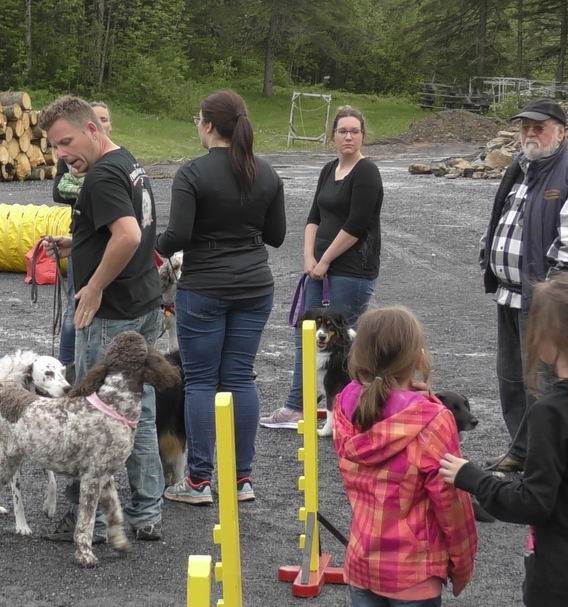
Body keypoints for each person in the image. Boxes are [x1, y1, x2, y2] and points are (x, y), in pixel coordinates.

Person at [39, 96, 164, 541]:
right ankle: (147, 512)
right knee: (138, 411)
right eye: (55, 147)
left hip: (112, 315)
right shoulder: (126, 161)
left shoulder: (102, 176)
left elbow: (127, 235)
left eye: (66, 142)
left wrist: (93, 286)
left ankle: (87, 520)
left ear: (92, 130)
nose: (62, 155)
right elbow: (122, 229)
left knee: (94, 416)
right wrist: (77, 242)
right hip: (143, 303)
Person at [156, 91, 286, 505]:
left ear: (209, 125)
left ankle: (198, 481)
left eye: (198, 119)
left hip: (206, 287)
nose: (197, 126)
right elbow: (277, 235)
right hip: (255, 285)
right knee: (240, 378)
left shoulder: (192, 173)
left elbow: (178, 235)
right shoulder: (266, 172)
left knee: (200, 381)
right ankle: (241, 479)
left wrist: (151, 243)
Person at [440, 272, 568, 607]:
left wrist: (473, 478)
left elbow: (534, 501)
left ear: (549, 339)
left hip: (563, 579)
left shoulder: (552, 412)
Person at [335, 306, 476, 606]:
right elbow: (451, 502)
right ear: (417, 357)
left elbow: (379, 401)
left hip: (362, 561)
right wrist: (462, 564)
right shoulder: (432, 420)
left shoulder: (346, 405)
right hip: (414, 571)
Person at [475, 98, 568, 473]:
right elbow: (500, 218)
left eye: (539, 127)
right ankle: (520, 451)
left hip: (541, 301)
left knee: (542, 383)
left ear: (561, 133)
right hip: (509, 294)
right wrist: (488, 254)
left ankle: (545, 462)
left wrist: (550, 298)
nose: (530, 134)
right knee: (511, 378)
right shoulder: (521, 167)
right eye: (525, 127)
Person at [261, 106, 384, 430]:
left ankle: (346, 412)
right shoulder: (329, 169)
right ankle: (298, 406)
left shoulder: (367, 172)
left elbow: (356, 225)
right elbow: (314, 216)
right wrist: (308, 258)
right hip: (318, 270)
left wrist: (326, 259)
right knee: (306, 336)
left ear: (363, 136)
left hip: (351, 272)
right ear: (333, 136)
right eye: (342, 131)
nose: (348, 136)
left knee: (340, 347)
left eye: (354, 131)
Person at [53, 102, 112, 377]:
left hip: (106, 245)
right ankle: (65, 366)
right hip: (81, 240)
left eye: (105, 119)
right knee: (74, 309)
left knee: (98, 310)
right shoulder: (72, 158)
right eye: (98, 118)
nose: (102, 123)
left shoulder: (113, 164)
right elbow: (58, 190)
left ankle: (90, 370)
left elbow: (128, 235)